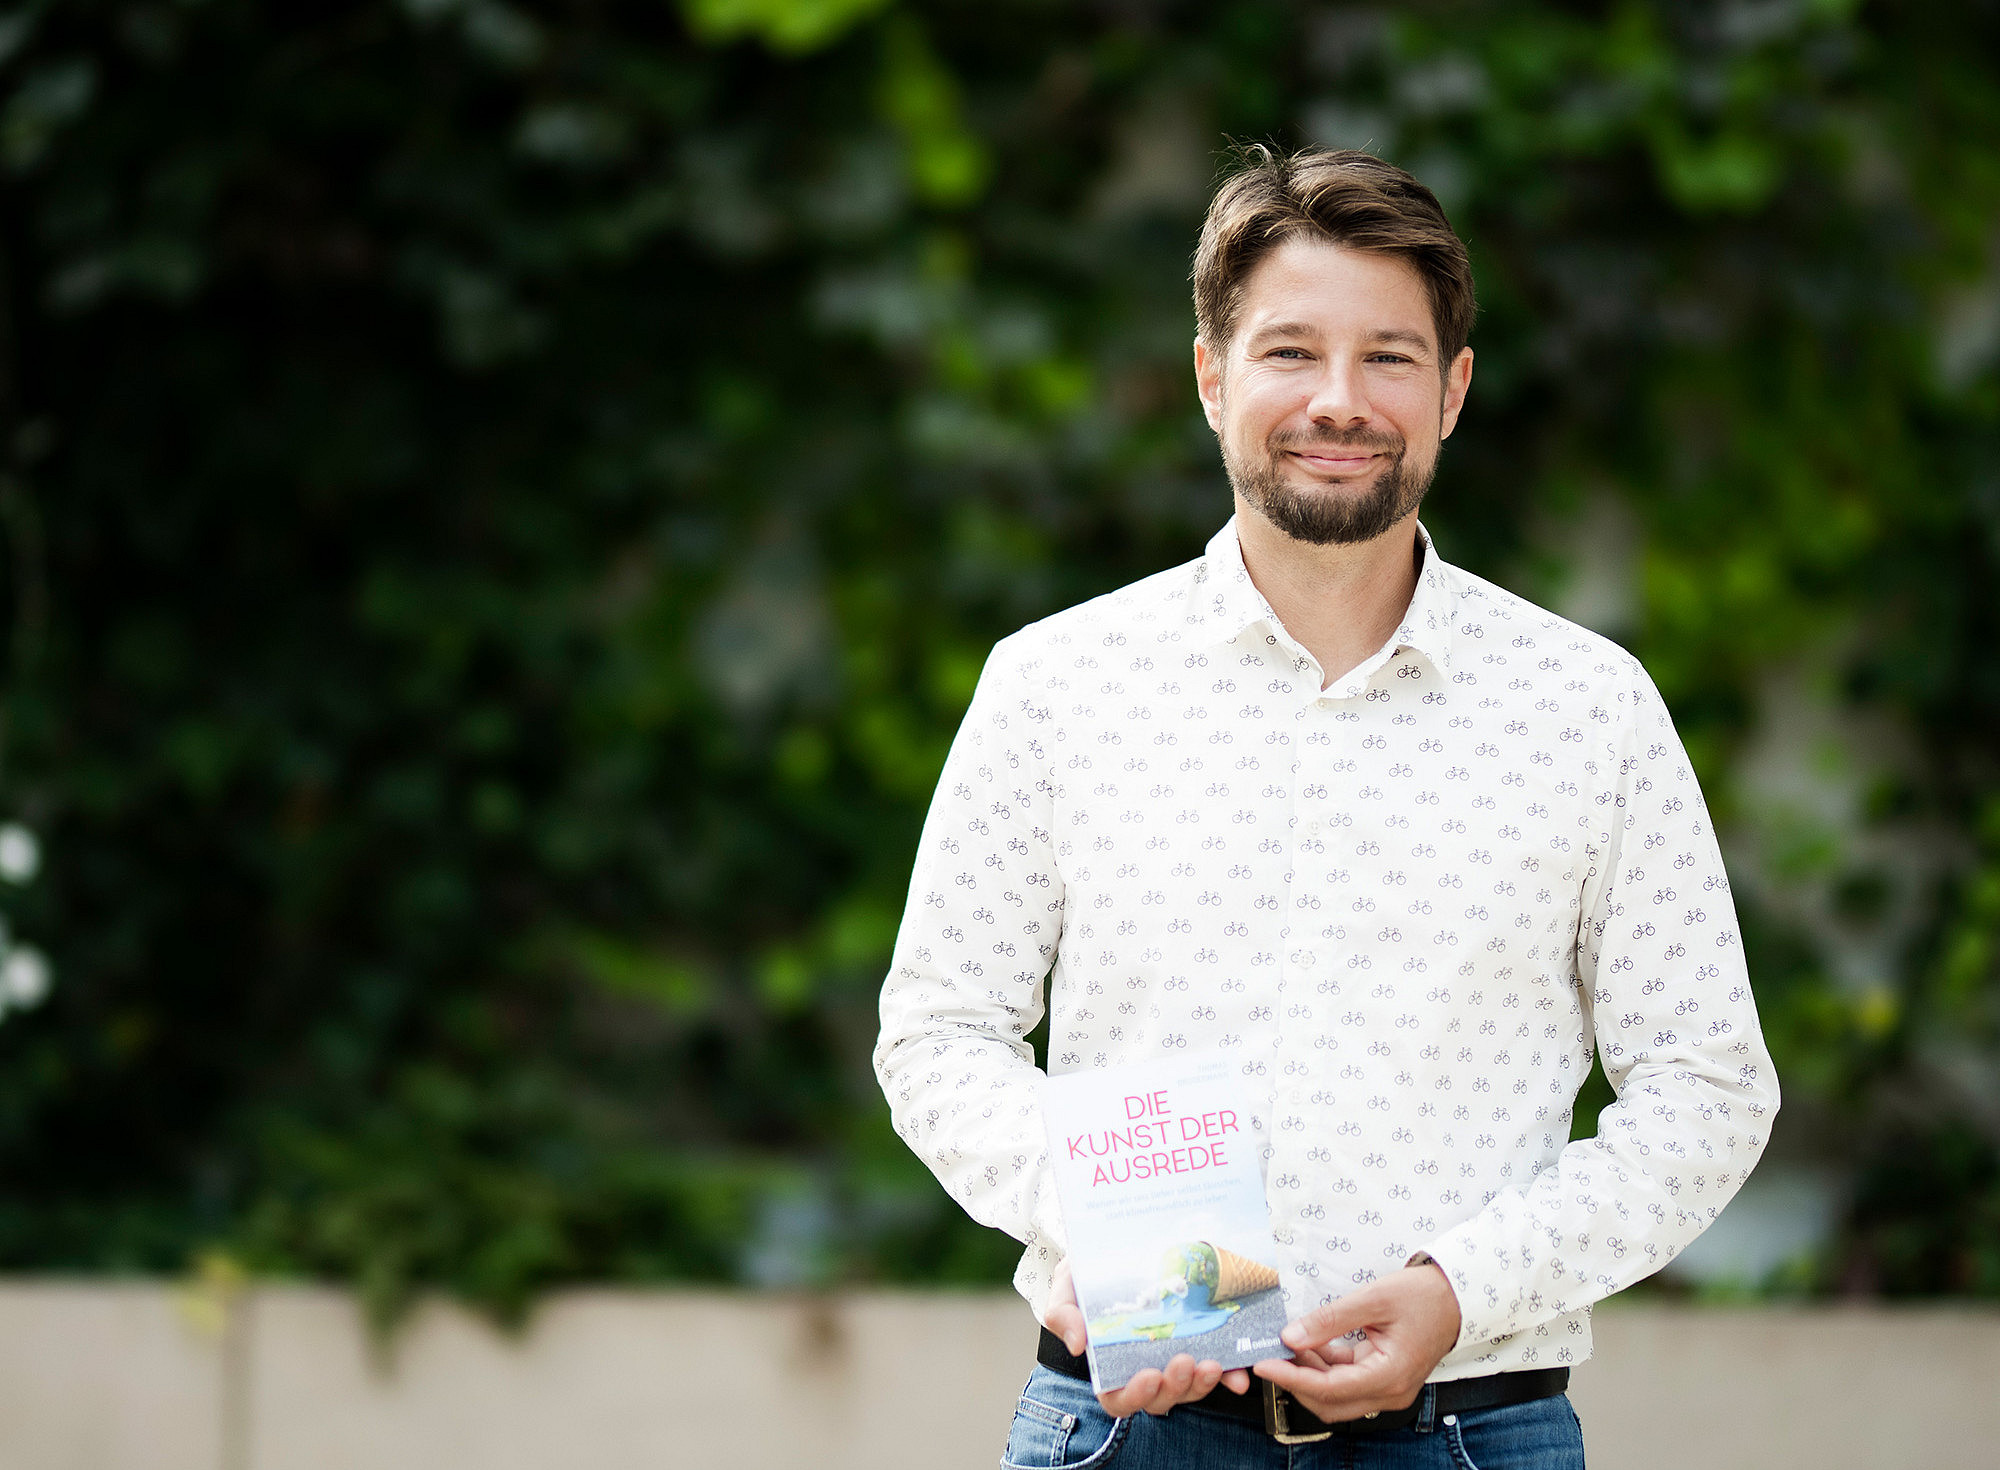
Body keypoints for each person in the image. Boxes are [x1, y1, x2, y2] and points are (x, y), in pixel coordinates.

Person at [873, 145, 1778, 1469]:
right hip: (1126, 1429)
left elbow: (1708, 1089)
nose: (1339, 400)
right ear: (1211, 377)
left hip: (1467, 1430)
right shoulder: (1056, 685)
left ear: (1455, 390)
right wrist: (1111, 1231)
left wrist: (1458, 1289)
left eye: (1391, 357)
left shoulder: (1590, 708)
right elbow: (940, 1031)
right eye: (1290, 351)